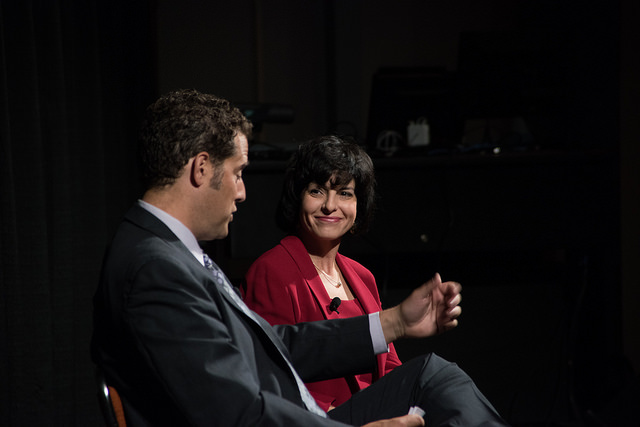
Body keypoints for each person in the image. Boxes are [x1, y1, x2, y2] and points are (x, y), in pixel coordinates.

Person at [91, 88, 508, 427]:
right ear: (202, 169)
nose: (242, 191)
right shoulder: (155, 268)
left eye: (346, 194)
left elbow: (272, 349)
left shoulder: (165, 253)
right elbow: (235, 410)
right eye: (238, 173)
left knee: (430, 375)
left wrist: (396, 321)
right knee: (433, 378)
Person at [242, 135, 403, 411]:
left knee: (434, 378)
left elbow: (389, 366)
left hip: (377, 412)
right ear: (297, 197)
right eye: (317, 191)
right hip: (322, 420)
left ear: (358, 205)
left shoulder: (363, 276)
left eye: (344, 193)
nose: (330, 205)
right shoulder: (272, 270)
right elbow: (271, 374)